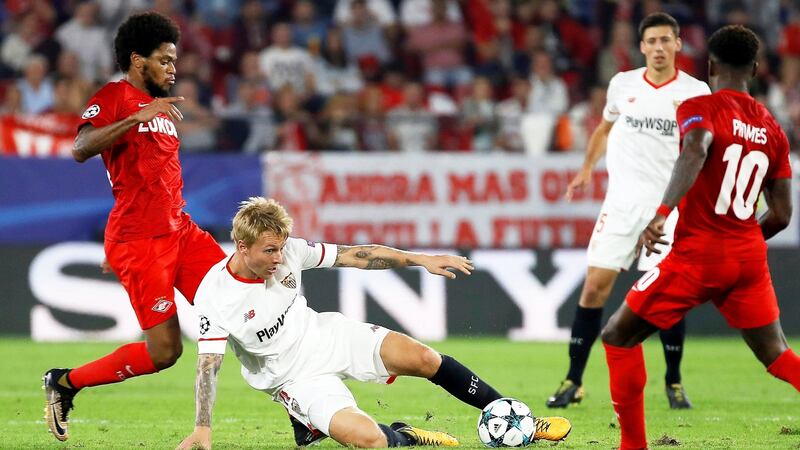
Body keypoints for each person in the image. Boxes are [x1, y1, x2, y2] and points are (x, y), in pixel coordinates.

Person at [177, 197, 573, 449]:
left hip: (325, 334)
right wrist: (203, 428)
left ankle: (516, 417)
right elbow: (207, 367)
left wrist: (420, 259)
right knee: (369, 440)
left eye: (281, 247)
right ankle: (406, 435)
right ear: (241, 247)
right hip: (292, 379)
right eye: (269, 251)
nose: (280, 258)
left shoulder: (291, 251)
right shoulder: (215, 295)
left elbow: (358, 255)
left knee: (421, 357)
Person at [602, 24, 800, 450]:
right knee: (777, 354)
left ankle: (632, 446)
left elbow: (695, 149)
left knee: (618, 336)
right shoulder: (774, 130)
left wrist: (661, 214)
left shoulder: (701, 106)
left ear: (710, 66)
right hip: (748, 255)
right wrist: (740, 240)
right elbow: (782, 215)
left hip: (698, 254)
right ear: (755, 68)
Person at [42, 12, 227, 442]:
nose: (173, 68)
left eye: (175, 60)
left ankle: (302, 409)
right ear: (137, 60)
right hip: (142, 242)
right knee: (166, 353)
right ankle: (65, 382)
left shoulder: (163, 106)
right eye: (164, 59)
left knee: (243, 298)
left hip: (181, 231)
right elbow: (81, 147)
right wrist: (137, 117)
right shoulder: (115, 95)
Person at [547, 12, 710, 409]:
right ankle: (573, 380)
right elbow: (604, 128)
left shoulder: (695, 91)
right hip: (621, 205)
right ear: (641, 47)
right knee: (592, 289)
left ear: (677, 45)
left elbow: (704, 149)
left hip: (669, 209)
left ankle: (673, 382)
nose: (658, 48)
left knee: (666, 297)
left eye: (665, 41)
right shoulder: (623, 84)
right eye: (651, 41)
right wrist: (585, 168)